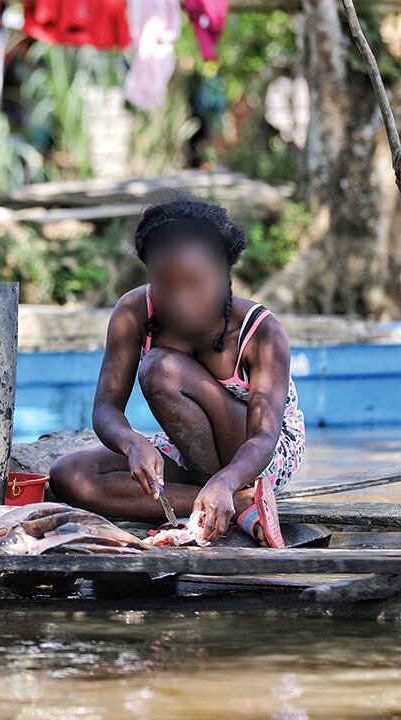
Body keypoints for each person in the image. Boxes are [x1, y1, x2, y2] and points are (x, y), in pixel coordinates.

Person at [49, 193, 305, 547]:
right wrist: (131, 443)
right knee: (70, 476)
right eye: (166, 285)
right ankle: (240, 502)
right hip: (190, 450)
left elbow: (263, 437)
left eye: (196, 283)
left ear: (225, 274)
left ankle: (236, 489)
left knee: (161, 368)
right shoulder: (134, 311)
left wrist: (229, 478)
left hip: (261, 452)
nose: (181, 300)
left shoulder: (260, 331)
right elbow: (106, 407)